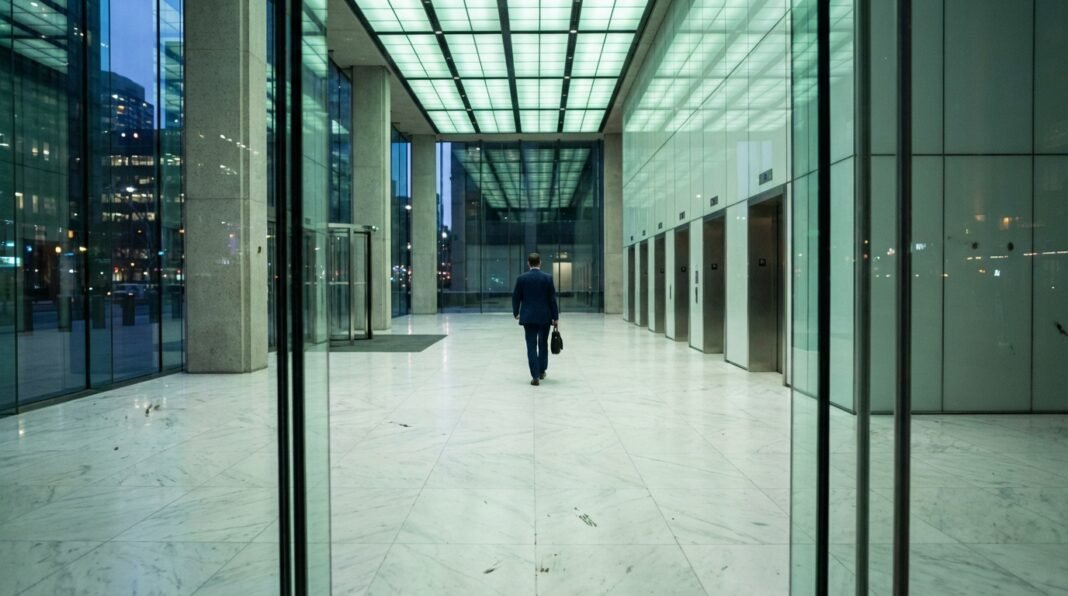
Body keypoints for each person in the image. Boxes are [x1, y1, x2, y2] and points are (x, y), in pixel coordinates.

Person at [512, 252, 559, 386]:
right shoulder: (547, 278)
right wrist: (555, 317)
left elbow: (516, 297)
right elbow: (552, 299)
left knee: (531, 346)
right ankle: (542, 370)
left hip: (528, 317)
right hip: (545, 317)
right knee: (543, 344)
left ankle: (535, 376)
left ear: (528, 263)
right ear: (540, 263)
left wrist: (516, 313)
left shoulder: (521, 279)